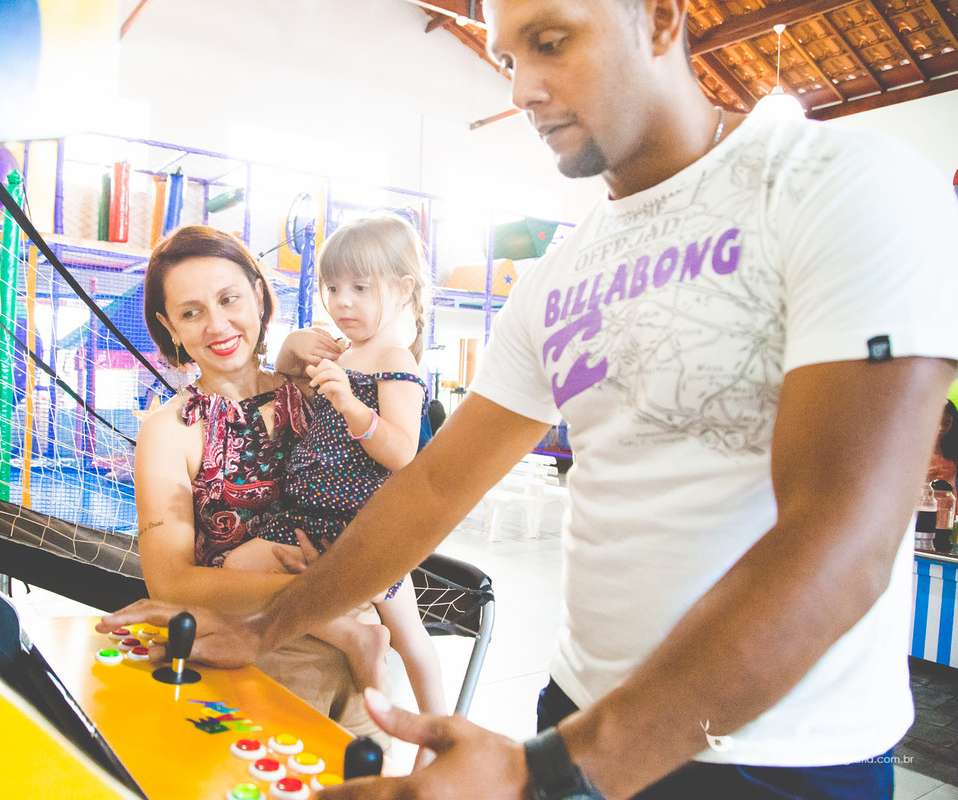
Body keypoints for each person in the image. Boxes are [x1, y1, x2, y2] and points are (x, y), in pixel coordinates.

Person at [99, 0, 958, 797]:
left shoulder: (840, 185)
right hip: (580, 712)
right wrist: (266, 626)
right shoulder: (562, 276)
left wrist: (554, 773)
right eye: (507, 57)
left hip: (778, 755)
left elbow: (844, 537)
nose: (519, 89)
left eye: (550, 42)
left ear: (659, 17)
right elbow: (433, 488)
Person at [126, 224, 381, 740]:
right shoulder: (168, 432)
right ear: (168, 326)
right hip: (260, 653)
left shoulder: (321, 389)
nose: (217, 325)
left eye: (229, 299)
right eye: (191, 312)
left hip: (362, 651)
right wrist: (318, 590)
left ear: (259, 297)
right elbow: (171, 582)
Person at [222, 214, 447, 727]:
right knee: (235, 569)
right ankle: (353, 636)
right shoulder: (344, 352)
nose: (342, 301)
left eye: (360, 287)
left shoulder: (395, 360)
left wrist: (349, 404)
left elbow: (402, 451)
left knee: (412, 638)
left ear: (403, 287)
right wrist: (296, 350)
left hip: (362, 530)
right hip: (304, 516)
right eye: (332, 287)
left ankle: (440, 734)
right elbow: (284, 389)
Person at [926, 400, 957, 488]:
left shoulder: (953, 446)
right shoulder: (918, 447)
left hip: (949, 498)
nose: (941, 428)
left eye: (947, 424)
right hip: (925, 498)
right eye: (937, 422)